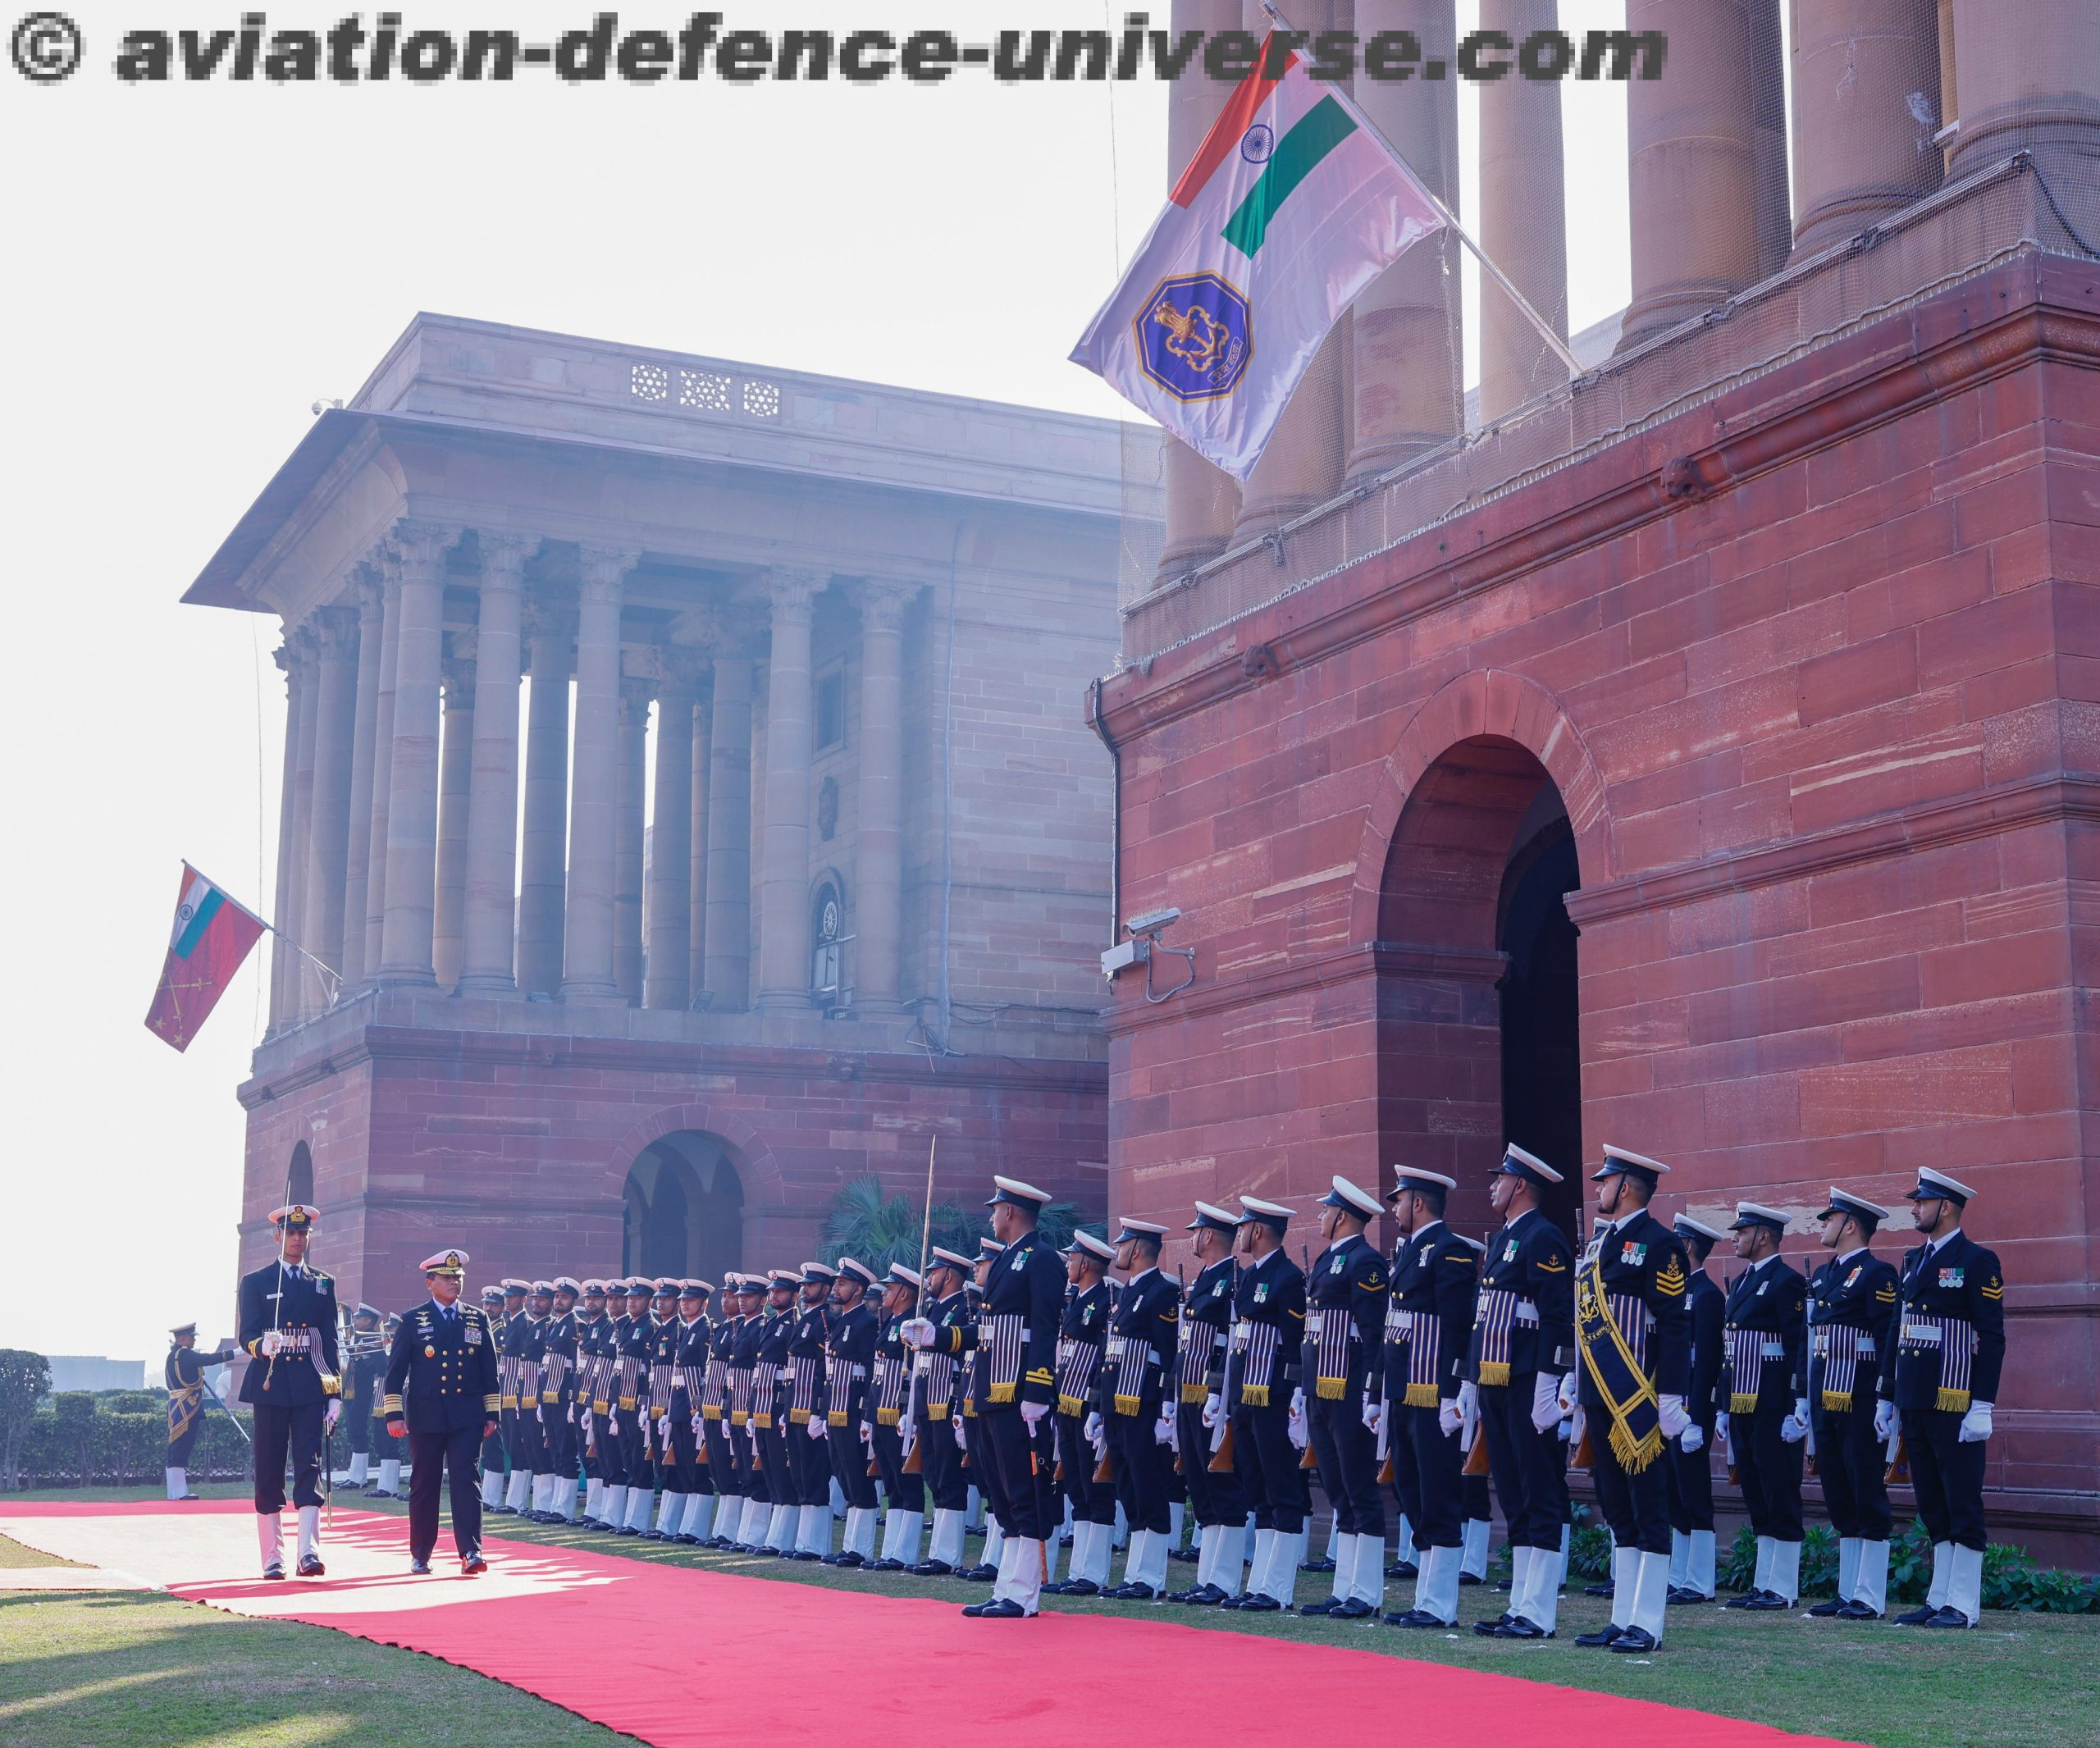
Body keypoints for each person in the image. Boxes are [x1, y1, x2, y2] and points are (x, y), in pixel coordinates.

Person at [910, 1175, 1064, 1618]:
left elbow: (1044, 1329)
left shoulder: (1042, 1259)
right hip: (992, 1389)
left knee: (1023, 1489)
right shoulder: (1008, 1260)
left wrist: (1037, 1388)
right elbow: (988, 1332)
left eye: (996, 1209)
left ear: (1012, 1212)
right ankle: (1007, 1588)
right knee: (1001, 1492)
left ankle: (1025, 1595)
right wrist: (938, 1335)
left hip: (1019, 1391)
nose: (992, 1215)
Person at [1565, 1147, 1692, 1655]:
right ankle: (1623, 1618)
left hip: (1640, 1400)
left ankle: (1650, 1622)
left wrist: (1673, 1395)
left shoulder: (1661, 1244)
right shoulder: (1599, 1245)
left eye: (1606, 1181)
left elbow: (1676, 1323)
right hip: (1600, 1393)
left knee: (1648, 1507)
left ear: (1628, 1187)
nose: (1599, 1189)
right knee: (1616, 1508)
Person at [1881, 1169, 2005, 1630]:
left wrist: (1983, 1404)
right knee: (1932, 1503)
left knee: (1961, 1501)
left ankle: (1964, 1604)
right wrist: (1887, 1398)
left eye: (1921, 1202)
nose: (1914, 1209)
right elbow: (1899, 1331)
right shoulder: (1913, 1259)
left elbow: (1992, 1337)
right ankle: (1940, 1599)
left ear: (1946, 1207)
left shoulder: (1977, 1260)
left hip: (1954, 1400)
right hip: (1915, 1400)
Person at [1463, 1145, 1574, 1641]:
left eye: (1500, 1178)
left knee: (1539, 1489)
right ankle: (1520, 1604)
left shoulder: (1543, 1237)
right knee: (1512, 1491)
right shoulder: (1505, 1237)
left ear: (1520, 1185)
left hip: (1529, 1379)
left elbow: (1555, 1316)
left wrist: (1550, 1382)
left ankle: (1539, 1610)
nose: (1492, 1186)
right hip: (1496, 1378)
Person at [1379, 1168, 1477, 1629]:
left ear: (1418, 1203)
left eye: (1399, 1199)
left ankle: (1440, 1604)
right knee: (1411, 1490)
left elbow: (1458, 1329)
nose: (1394, 1207)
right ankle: (1424, 1599)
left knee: (1437, 1492)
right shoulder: (1410, 1252)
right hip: (1404, 1391)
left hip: (1432, 1392)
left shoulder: (1450, 1251)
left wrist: (1454, 1393)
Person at [1804, 1189, 1899, 1621]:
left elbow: (1886, 1340)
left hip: (1860, 1396)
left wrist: (1885, 1397)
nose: (1824, 1223)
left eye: (1831, 1217)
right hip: (1827, 1393)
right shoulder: (1825, 1275)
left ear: (1851, 1225)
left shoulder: (1877, 1274)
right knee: (1839, 1491)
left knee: (1866, 1490)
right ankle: (1848, 1591)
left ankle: (1870, 1595)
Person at [235, 1203, 341, 1580]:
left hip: (311, 1384)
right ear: (277, 1236)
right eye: (291, 1233)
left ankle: (308, 1553)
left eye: (303, 1233)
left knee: (309, 1468)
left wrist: (334, 1394)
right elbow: (246, 1333)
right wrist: (259, 1346)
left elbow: (329, 1341)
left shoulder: (322, 1282)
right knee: (269, 1469)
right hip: (271, 1384)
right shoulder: (257, 1281)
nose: (298, 1239)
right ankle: (273, 1557)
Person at [1299, 1177, 1388, 1621]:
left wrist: (1372, 1392)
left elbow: (1373, 1334)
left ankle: (1366, 1591)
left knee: (1358, 1487)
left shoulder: (1365, 1261)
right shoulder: (1327, 1259)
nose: (1320, 1215)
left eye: (1326, 1210)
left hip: (1349, 1387)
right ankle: (1345, 1587)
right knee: (1336, 1488)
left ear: (1344, 1216)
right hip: (1320, 1385)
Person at [383, 1247, 500, 1576]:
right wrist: (394, 1414)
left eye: (458, 1278)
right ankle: (421, 1552)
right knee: (425, 1483)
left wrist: (492, 1413)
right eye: (447, 1278)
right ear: (429, 1283)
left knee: (467, 1481)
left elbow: (490, 1369)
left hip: (467, 1416)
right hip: (426, 1416)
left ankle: (471, 1552)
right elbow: (395, 1372)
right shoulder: (413, 1320)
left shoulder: (477, 1317)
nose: (454, 1283)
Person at [1221, 1195, 1308, 1613]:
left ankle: (1279, 1586)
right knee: (1257, 1485)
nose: (1237, 1233)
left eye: (1242, 1226)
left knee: (1280, 1486)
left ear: (1257, 1230)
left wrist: (1295, 1394)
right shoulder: (1253, 1275)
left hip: (1272, 1395)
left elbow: (1294, 1344)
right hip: (1245, 1394)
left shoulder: (1287, 1277)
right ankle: (1261, 1581)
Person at [1721, 1201, 1809, 1610]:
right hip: (1742, 1400)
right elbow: (1730, 1350)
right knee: (1756, 1490)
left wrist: (1796, 1404)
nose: (1736, 1236)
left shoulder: (1786, 1281)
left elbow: (1797, 1348)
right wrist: (1723, 1404)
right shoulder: (1741, 1283)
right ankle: (1764, 1582)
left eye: (1743, 1230)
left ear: (1765, 1236)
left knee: (1779, 1489)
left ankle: (1784, 1586)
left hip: (1773, 1403)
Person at [1168, 1202, 1245, 1606]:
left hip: (1211, 1397)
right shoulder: (1204, 1279)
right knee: (1199, 1482)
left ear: (1210, 1235)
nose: (1192, 1237)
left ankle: (1225, 1579)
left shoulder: (1233, 1279)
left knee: (1220, 1482)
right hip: (1190, 1393)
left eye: (1196, 1231)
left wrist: (1217, 1392)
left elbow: (1229, 1347)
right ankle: (1208, 1576)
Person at [1102, 1217, 1180, 1601]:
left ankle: (1151, 1576)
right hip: (1118, 1403)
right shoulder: (1125, 1293)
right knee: (1128, 1487)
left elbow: (1170, 1355)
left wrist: (1167, 1405)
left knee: (1148, 1487)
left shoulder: (1161, 1292)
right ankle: (1136, 1572)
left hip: (1144, 1404)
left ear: (1136, 1249)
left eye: (1121, 1244)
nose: (1116, 1251)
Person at [1046, 1230, 1116, 1595]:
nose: (1069, 1264)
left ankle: (1095, 1572)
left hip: (1087, 1404)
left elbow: (1104, 1359)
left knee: (1094, 1487)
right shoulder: (1076, 1300)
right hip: (1066, 1401)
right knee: (1075, 1485)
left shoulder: (1104, 1302)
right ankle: (1079, 1571)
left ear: (1086, 1264)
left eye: (1072, 1259)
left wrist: (1095, 1406)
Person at [1665, 1216, 1728, 1605]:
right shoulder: (1678, 1291)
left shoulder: (1706, 1294)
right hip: (1673, 1406)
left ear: (1688, 1247)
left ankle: (1700, 1580)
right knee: (1675, 1494)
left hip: (1692, 1408)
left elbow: (1707, 1361)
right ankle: (1679, 1575)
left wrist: (1699, 1416)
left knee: (1695, 1494)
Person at [906, 1247, 977, 1575]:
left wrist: (961, 1407)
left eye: (933, 1273)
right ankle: (939, 1551)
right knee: (933, 1475)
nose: (929, 1279)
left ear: (948, 1276)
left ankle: (948, 1554)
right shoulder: (934, 1310)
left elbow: (965, 1364)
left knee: (948, 1476)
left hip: (946, 1402)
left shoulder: (962, 1311)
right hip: (926, 1402)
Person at [866, 1263, 927, 1570]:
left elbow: (915, 1374)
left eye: (890, 1288)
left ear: (904, 1292)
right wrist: (869, 1415)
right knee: (891, 1481)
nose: (885, 1292)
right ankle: (892, 1549)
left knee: (907, 1482)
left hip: (898, 1411)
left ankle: (904, 1551)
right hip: (881, 1409)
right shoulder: (892, 1321)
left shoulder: (912, 1324)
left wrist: (909, 1412)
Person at [824, 1257, 882, 1566]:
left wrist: (866, 1415)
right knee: (843, 1471)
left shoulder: (866, 1322)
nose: (836, 1288)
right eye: (836, 1283)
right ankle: (850, 1545)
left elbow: (873, 1373)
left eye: (843, 1284)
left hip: (852, 1411)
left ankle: (862, 1548)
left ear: (858, 1289)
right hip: (835, 1410)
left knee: (858, 1475)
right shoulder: (841, 1322)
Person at [165, 1322, 235, 1500]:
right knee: (181, 1447)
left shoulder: (174, 1356)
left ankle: (177, 1492)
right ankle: (178, 1493)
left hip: (180, 1405)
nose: (194, 1339)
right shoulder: (185, 1355)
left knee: (179, 1448)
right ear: (182, 1339)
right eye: (192, 1336)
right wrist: (236, 1353)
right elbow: (209, 1359)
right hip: (186, 1406)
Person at [536, 1276, 582, 1524]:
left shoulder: (575, 1326)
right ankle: (554, 1505)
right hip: (550, 1397)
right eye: (557, 1296)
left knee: (566, 1452)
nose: (558, 1300)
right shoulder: (553, 1325)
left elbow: (577, 1367)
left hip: (564, 1397)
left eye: (563, 1297)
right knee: (554, 1450)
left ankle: (564, 1508)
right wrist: (541, 1399)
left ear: (573, 1300)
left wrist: (574, 1400)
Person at [472, 1289, 508, 1509]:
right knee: (482, 1445)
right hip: (478, 1393)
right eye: (486, 1304)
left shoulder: (503, 1330)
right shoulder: (477, 1327)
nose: (488, 1308)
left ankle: (492, 1497)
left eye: (494, 1305)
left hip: (498, 1392)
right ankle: (486, 1495)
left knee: (494, 1445)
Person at [367, 1312, 407, 1498]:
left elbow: (387, 1369)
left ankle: (390, 1486)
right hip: (379, 1401)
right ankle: (385, 1485)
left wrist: (379, 1351)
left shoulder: (401, 1348)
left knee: (391, 1444)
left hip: (395, 1400)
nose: (387, 1332)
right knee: (382, 1443)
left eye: (391, 1329)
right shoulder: (387, 1349)